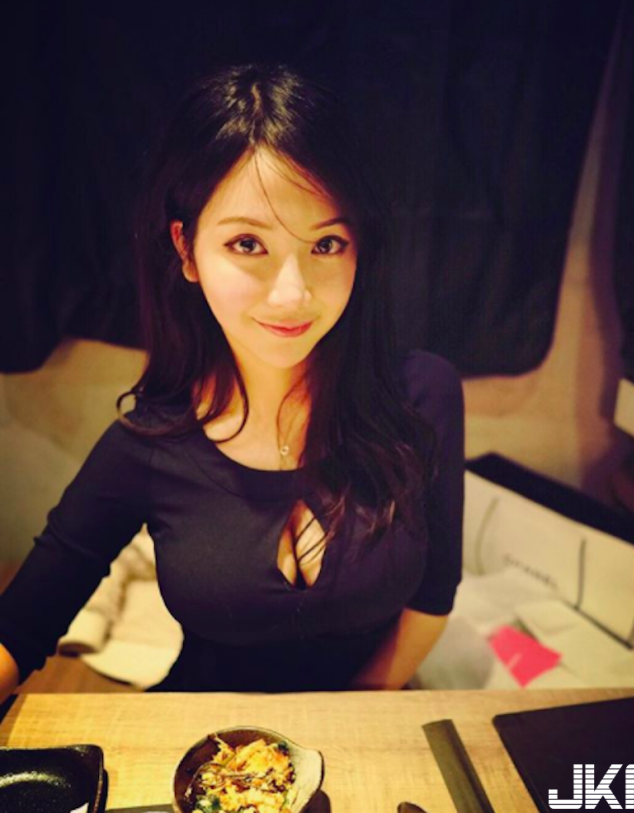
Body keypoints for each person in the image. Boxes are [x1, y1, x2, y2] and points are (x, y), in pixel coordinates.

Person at [0, 63, 464, 698]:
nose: (293, 294)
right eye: (248, 244)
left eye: (326, 244)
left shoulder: (422, 397)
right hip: (199, 738)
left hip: (372, 722)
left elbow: (432, 599)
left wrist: (346, 727)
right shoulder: (149, 446)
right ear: (186, 250)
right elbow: (18, 629)